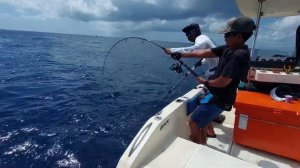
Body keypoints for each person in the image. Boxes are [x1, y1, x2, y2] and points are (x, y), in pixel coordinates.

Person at [168, 17, 256, 144]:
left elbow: (223, 81)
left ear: (240, 36)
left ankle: (197, 148)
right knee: (202, 124)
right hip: (214, 94)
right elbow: (202, 52)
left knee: (194, 122)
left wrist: (205, 82)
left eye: (228, 34)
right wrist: (180, 54)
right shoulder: (228, 48)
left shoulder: (239, 54)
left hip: (221, 99)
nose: (225, 36)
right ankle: (202, 145)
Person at [164, 23, 224, 138]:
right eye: (186, 34)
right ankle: (214, 119)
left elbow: (195, 49)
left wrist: (172, 50)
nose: (187, 36)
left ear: (196, 31)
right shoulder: (206, 39)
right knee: (208, 99)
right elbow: (209, 54)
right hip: (216, 73)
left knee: (204, 101)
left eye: (189, 33)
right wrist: (200, 62)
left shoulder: (201, 38)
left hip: (216, 75)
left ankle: (209, 130)